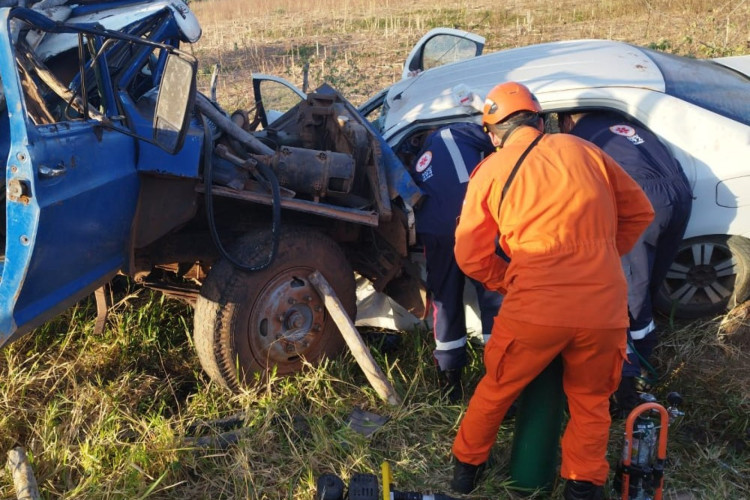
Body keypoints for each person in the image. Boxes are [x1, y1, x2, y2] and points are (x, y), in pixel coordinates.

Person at [449, 82, 654, 499]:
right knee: (591, 400)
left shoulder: (491, 170)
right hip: (604, 304)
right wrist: (601, 257)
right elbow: (640, 212)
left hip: (535, 305)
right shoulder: (585, 151)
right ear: (539, 122)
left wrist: (506, 280)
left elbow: (470, 254)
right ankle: (582, 486)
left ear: (492, 133)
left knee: (498, 387)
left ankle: (465, 472)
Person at [559, 111, 693, 416]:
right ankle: (642, 355)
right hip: (679, 190)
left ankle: (627, 383)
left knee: (631, 292)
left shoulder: (579, 136)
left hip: (640, 196)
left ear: (567, 120)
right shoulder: (624, 125)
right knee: (648, 281)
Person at [410, 122, 504, 403]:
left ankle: (450, 382)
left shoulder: (422, 155)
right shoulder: (471, 136)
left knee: (445, 301)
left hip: (438, 232)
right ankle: (500, 378)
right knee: (494, 298)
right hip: (478, 227)